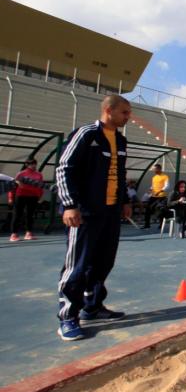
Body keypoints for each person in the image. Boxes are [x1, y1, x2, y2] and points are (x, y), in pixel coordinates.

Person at [55, 95, 132, 341]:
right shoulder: (86, 134)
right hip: (85, 213)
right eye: (124, 112)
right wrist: (70, 205)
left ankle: (93, 307)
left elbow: (120, 173)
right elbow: (64, 168)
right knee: (77, 266)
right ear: (108, 110)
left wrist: (125, 202)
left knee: (104, 261)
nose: (127, 117)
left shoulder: (120, 140)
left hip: (110, 212)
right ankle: (68, 317)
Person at [9, 158, 44, 241]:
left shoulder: (39, 175)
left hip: (33, 197)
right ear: (27, 165)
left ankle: (28, 233)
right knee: (17, 214)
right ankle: (14, 234)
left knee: (30, 215)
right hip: (21, 196)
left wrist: (40, 196)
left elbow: (40, 186)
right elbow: (13, 186)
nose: (33, 165)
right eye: (31, 164)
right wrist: (10, 197)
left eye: (34, 164)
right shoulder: (21, 174)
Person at [142, 163, 169, 229]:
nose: (154, 170)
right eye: (153, 169)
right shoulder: (154, 177)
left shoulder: (165, 176)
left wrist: (160, 191)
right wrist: (151, 189)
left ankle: (161, 225)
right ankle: (147, 224)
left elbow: (167, 186)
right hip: (153, 196)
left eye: (155, 169)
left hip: (162, 197)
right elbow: (153, 185)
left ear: (159, 169)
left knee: (161, 210)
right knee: (148, 209)